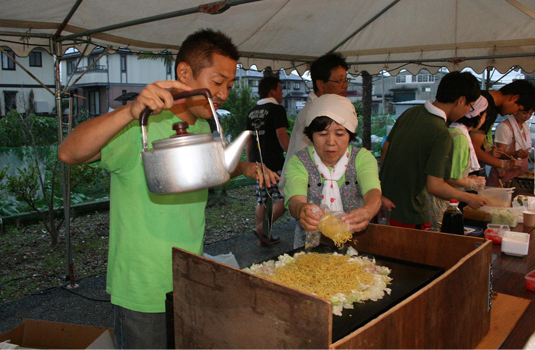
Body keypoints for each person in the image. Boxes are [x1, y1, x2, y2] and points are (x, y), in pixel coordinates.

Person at [58, 29, 279, 349]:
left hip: (189, 278)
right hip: (143, 288)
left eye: (230, 85)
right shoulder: (138, 126)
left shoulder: (203, 124)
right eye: (217, 82)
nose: (224, 94)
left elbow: (210, 171)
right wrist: (131, 110)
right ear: (184, 73)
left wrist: (244, 167)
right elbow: (70, 152)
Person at [380, 71, 487, 230]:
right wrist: (468, 197)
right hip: (411, 214)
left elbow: (385, 149)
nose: (467, 112)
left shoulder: (411, 113)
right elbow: (435, 186)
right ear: (460, 100)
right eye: (469, 106)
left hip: (384, 206)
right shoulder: (442, 134)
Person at [284, 94, 381, 238]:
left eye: (340, 134)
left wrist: (368, 210)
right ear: (310, 135)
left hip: (356, 241)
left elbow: (372, 192)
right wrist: (302, 209)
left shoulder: (362, 158)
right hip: (310, 244)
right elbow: (295, 201)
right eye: (322, 134)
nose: (331, 142)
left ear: (350, 135)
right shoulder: (299, 161)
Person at [278, 52, 349, 193]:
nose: (344, 86)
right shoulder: (315, 114)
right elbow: (302, 157)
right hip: (309, 192)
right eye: (339, 81)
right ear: (321, 84)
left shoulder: (325, 110)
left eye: (346, 80)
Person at [426, 95, 489, 228]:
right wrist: (471, 183)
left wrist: (468, 178)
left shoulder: (453, 130)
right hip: (444, 203)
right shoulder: (460, 138)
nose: (485, 119)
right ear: (477, 115)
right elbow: (449, 178)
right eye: (484, 115)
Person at [246, 75, 290, 246]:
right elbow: (281, 135)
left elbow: (249, 140)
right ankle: (262, 228)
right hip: (274, 162)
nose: (282, 93)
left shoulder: (251, 111)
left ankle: (264, 237)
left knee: (263, 200)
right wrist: (294, 154)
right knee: (287, 197)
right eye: (280, 89)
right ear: (272, 90)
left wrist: (251, 163)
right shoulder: (277, 109)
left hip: (257, 164)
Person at [470, 80, 535, 177]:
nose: (514, 113)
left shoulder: (484, 100)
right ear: (515, 97)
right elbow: (473, 148)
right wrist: (504, 164)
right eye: (519, 109)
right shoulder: (485, 106)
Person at [487, 102, 535, 187]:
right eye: (524, 113)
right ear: (515, 110)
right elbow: (499, 154)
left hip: (520, 174)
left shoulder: (524, 126)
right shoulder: (505, 127)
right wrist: (515, 154)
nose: (527, 116)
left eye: (530, 114)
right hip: (505, 175)